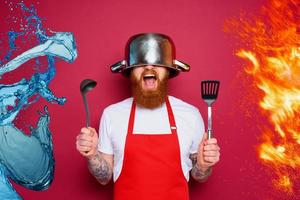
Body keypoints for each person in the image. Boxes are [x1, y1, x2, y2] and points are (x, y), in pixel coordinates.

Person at [76, 33, 220, 200]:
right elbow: (104, 178)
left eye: (157, 63)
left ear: (168, 71)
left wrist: (203, 165)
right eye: (141, 63)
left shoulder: (191, 115)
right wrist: (92, 154)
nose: (149, 68)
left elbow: (200, 176)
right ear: (130, 72)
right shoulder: (112, 114)